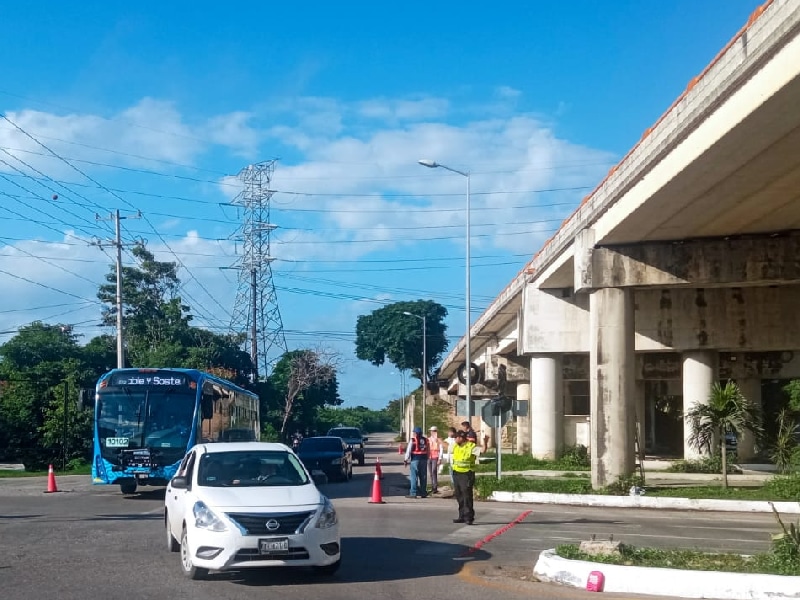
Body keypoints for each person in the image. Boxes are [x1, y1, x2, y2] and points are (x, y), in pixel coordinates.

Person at [451, 429, 477, 525]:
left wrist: (486, 442)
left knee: (467, 496)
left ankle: (469, 517)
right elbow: (448, 449)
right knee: (459, 495)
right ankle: (461, 516)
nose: (455, 439)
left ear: (461, 438)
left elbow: (482, 451)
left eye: (456, 437)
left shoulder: (471, 446)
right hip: (456, 473)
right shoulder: (456, 446)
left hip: (467, 474)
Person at [403, 426, 430, 498]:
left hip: (415, 459)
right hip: (424, 460)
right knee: (423, 476)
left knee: (414, 477)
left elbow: (408, 451)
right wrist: (427, 458)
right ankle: (423, 492)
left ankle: (413, 493)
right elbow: (428, 451)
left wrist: (406, 459)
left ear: (415, 433)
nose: (413, 434)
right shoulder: (426, 440)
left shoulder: (413, 440)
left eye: (413, 432)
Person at [427, 426, 443, 493]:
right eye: (431, 431)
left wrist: (440, 458)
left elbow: (441, 449)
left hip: (435, 456)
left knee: (434, 471)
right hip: (429, 457)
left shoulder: (439, 439)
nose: (432, 432)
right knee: (431, 473)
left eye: (433, 431)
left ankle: (435, 486)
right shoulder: (428, 439)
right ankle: (433, 487)